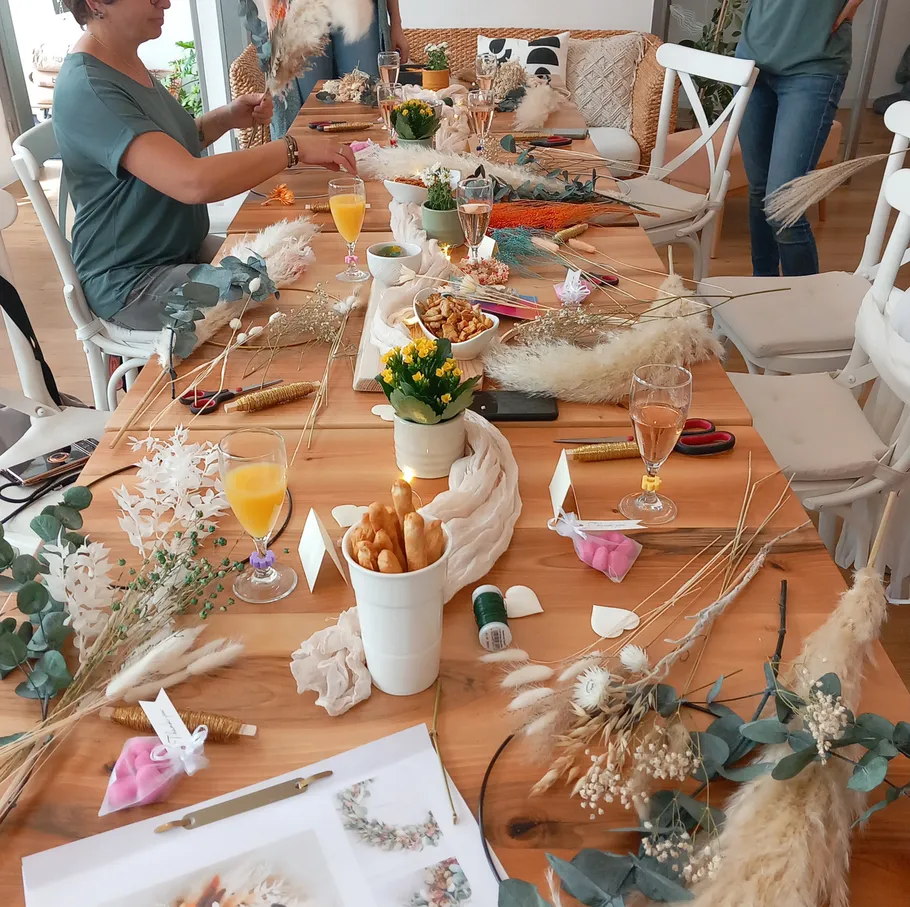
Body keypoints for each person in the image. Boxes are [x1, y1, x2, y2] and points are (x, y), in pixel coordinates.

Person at [54, 0, 357, 330]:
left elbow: (169, 148)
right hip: (133, 281)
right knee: (287, 299)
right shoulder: (90, 88)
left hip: (181, 251)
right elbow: (192, 182)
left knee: (312, 261)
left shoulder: (124, 62)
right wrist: (292, 149)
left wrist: (226, 118)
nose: (165, 2)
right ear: (97, 2)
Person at [736, 0, 864, 277]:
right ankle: (763, 290)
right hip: (752, 60)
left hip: (814, 65)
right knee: (759, 191)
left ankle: (805, 305)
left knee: (783, 205)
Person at [270, 0, 411, 137]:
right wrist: (274, 24)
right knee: (310, 118)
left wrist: (396, 23)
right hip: (301, 12)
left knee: (368, 105)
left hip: (359, 8)